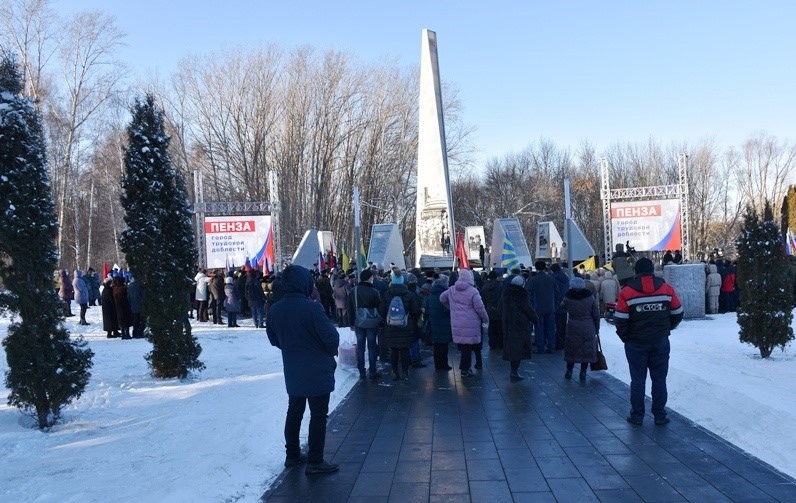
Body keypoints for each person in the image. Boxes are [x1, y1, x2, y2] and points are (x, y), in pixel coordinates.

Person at [266, 265, 340, 475]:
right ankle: (315, 461)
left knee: (294, 412)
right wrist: (324, 350)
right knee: (318, 415)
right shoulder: (312, 308)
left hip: (293, 369)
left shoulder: (275, 309)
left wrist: (291, 348)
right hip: (317, 370)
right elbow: (331, 338)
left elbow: (274, 339)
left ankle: (292, 455)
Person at [615, 257, 683, 425]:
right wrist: (667, 329)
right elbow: (678, 312)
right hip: (660, 341)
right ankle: (659, 415)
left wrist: (627, 337)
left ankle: (637, 415)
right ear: (652, 271)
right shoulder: (666, 289)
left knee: (638, 380)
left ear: (635, 272)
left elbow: (620, 319)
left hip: (636, 343)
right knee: (659, 379)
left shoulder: (627, 292)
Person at [440, 269, 488, 378]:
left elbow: (442, 298)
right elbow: (480, 308)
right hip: (471, 323)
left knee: (464, 346)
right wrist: (485, 319)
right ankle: (465, 370)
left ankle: (466, 368)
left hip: (457, 323)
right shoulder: (473, 291)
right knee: (467, 347)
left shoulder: (452, 290)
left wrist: (451, 307)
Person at [378, 269, 422, 381]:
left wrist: (387, 320)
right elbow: (416, 310)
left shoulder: (387, 294)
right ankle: (405, 371)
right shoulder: (409, 294)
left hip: (391, 327)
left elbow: (381, 311)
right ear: (403, 281)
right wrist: (411, 320)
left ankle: (394, 372)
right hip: (406, 326)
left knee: (394, 350)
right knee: (405, 350)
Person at [560, 277, 600, 380]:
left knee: (571, 349)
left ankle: (569, 371)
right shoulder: (589, 297)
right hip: (588, 326)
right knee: (585, 350)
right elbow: (596, 313)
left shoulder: (568, 297)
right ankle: (583, 373)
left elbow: (562, 306)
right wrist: (597, 327)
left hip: (573, 326)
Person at [501, 275, 538, 381]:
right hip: (520, 325)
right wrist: (535, 319)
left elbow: (500, 309)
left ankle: (513, 370)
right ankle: (514, 371)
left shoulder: (505, 294)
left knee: (511, 347)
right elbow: (528, 309)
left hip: (508, 324)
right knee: (518, 348)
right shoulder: (522, 295)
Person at [347, 269, 382, 379]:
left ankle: (361, 371)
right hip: (372, 323)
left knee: (360, 347)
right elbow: (379, 308)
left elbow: (350, 308)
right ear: (368, 278)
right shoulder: (375, 291)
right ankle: (372, 371)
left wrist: (351, 322)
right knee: (372, 346)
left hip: (359, 322)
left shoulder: (354, 291)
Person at [525, 261, 559, 354]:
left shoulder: (533, 280)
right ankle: (551, 346)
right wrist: (555, 305)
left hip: (537, 308)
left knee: (539, 328)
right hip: (550, 307)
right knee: (550, 328)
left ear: (536, 268)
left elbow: (528, 294)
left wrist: (530, 306)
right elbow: (557, 293)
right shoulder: (551, 279)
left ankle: (540, 347)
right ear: (545, 268)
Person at [427, 275, 453, 370]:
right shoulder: (445, 294)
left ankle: (437, 364)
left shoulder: (431, 293)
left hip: (434, 323)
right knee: (444, 346)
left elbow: (427, 308)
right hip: (444, 323)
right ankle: (444, 364)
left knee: (437, 345)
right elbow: (447, 310)